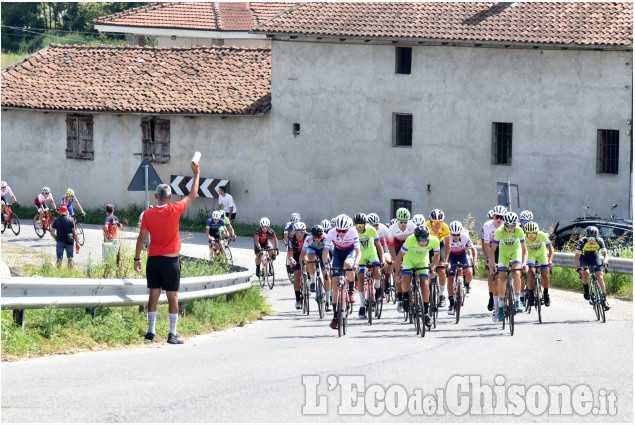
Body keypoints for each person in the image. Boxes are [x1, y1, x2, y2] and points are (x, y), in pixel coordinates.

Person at [133, 158, 200, 345]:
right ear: (169, 198)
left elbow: (141, 238)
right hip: (171, 261)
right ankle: (172, 334)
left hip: (153, 260)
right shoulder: (175, 209)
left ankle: (151, 331)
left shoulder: (147, 214)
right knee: (173, 295)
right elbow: (193, 194)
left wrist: (137, 258)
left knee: (153, 294)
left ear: (156, 197)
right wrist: (196, 173)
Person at [396, 225, 440, 328]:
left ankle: (425, 313)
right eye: (419, 239)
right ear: (416, 238)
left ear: (428, 237)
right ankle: (406, 296)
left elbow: (437, 256)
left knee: (425, 283)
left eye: (424, 239)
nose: (421, 242)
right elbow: (399, 257)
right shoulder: (410, 240)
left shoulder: (435, 241)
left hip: (423, 260)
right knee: (406, 281)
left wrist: (432, 269)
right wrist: (397, 272)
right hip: (409, 260)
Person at [488, 211, 528, 322]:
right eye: (507, 226)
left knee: (516, 272)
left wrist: (524, 263)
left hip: (515, 251)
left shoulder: (519, 231)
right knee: (502, 277)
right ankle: (500, 307)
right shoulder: (499, 231)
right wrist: (492, 265)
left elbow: (524, 251)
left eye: (512, 226)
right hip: (503, 253)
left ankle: (517, 299)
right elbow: (492, 251)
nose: (510, 229)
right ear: (504, 225)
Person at [324, 214, 361, 330]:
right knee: (335, 285)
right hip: (338, 253)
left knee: (348, 264)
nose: (340, 233)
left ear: (348, 229)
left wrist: (356, 264)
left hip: (350, 252)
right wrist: (326, 265)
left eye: (344, 231)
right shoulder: (331, 232)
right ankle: (335, 315)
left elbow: (358, 252)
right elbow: (325, 252)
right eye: (339, 230)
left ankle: (351, 287)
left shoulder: (353, 232)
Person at [354, 213, 384, 318]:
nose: (359, 228)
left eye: (361, 225)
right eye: (357, 226)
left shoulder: (371, 230)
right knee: (361, 279)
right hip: (360, 255)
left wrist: (383, 259)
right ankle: (362, 306)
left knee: (377, 270)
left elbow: (378, 246)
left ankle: (378, 287)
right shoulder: (353, 232)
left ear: (365, 224)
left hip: (372, 253)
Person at [574, 226, 610, 310]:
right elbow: (576, 258)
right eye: (589, 237)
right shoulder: (582, 242)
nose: (591, 240)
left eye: (593, 238)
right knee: (586, 273)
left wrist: (605, 262)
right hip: (583, 258)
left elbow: (605, 255)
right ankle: (586, 288)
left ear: (597, 237)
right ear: (586, 236)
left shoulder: (600, 241)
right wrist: (578, 267)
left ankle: (604, 300)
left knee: (600, 277)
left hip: (594, 257)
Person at [388, 208, 416, 313]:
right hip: (397, 247)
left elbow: (416, 242)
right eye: (401, 222)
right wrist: (395, 260)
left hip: (410, 247)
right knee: (398, 274)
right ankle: (400, 298)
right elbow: (390, 246)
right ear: (397, 220)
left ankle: (416, 288)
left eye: (405, 222)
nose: (403, 224)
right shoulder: (392, 229)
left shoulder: (412, 226)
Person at [481, 205, 507, 322]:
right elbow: (486, 244)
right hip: (493, 249)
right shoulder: (487, 226)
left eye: (502, 217)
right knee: (495, 276)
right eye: (497, 217)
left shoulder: (508, 226)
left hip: (506, 248)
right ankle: (496, 307)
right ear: (493, 217)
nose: (499, 220)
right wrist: (489, 260)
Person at [446, 221, 477, 315]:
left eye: (458, 234)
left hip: (463, 254)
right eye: (453, 234)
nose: (455, 236)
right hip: (451, 255)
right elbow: (445, 250)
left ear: (461, 233)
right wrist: (446, 262)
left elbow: (473, 249)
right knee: (450, 279)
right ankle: (451, 303)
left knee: (469, 272)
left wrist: (474, 261)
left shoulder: (464, 237)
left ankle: (467, 285)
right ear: (451, 233)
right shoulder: (447, 238)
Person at [524, 221, 554, 307]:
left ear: (537, 233)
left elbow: (551, 249)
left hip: (541, 253)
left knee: (545, 274)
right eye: (529, 234)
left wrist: (550, 261)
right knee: (530, 272)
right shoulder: (523, 237)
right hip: (530, 254)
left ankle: (546, 293)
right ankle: (531, 295)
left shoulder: (542, 235)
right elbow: (520, 250)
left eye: (533, 235)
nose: (531, 237)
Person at [425, 209, 451, 308]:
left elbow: (448, 246)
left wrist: (446, 261)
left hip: (439, 245)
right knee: (426, 268)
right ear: (430, 222)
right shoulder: (426, 225)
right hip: (428, 245)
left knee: (441, 270)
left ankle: (442, 295)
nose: (438, 225)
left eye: (440, 222)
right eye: (435, 223)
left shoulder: (445, 227)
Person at [301, 224, 330, 308]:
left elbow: (332, 251)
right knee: (311, 259)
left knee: (327, 275)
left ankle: (328, 301)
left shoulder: (326, 237)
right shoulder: (308, 238)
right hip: (312, 250)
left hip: (323, 251)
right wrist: (303, 265)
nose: (317, 238)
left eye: (319, 236)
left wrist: (331, 262)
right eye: (315, 236)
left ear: (322, 234)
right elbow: (302, 254)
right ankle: (313, 283)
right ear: (312, 235)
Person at [367, 213, 393, 295]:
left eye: (377, 224)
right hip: (370, 247)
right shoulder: (366, 230)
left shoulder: (383, 228)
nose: (376, 227)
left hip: (382, 245)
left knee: (388, 260)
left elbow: (390, 242)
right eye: (373, 225)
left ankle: (386, 281)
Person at [287, 221, 308, 309]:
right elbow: (290, 253)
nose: (299, 235)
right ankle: (298, 300)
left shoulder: (308, 237)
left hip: (306, 253)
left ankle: (310, 280)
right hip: (296, 255)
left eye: (301, 232)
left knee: (307, 261)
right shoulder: (292, 238)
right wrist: (291, 260)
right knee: (296, 276)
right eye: (297, 232)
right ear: (294, 232)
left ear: (305, 231)